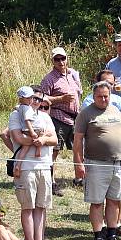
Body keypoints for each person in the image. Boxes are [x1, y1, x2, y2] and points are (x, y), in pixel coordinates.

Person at [73, 81, 121, 240]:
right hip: (96, 163)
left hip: (118, 163)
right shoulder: (85, 114)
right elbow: (77, 141)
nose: (103, 99)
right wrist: (78, 164)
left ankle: (112, 236)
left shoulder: (115, 110)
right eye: (99, 96)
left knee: (114, 200)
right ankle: (98, 237)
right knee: (97, 202)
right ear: (93, 96)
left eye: (106, 96)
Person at [8, 88, 58, 240]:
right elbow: (18, 138)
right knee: (28, 206)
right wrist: (38, 140)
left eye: (39, 99)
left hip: (44, 166)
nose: (36, 102)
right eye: (33, 98)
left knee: (41, 207)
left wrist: (42, 140)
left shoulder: (45, 116)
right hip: (26, 167)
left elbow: (54, 140)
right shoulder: (16, 114)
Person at [40, 46, 83, 197]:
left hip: (75, 117)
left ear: (67, 58)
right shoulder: (49, 78)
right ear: (52, 61)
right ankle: (50, 182)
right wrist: (60, 99)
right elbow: (42, 98)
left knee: (79, 148)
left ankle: (80, 178)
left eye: (62, 58)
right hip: (58, 117)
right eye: (57, 59)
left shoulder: (73, 74)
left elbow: (79, 93)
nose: (60, 62)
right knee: (54, 151)